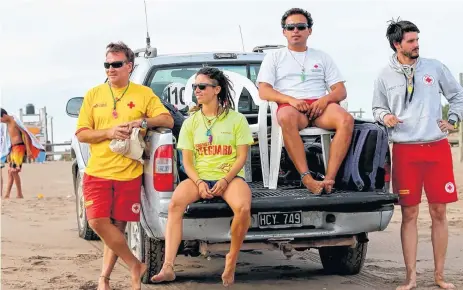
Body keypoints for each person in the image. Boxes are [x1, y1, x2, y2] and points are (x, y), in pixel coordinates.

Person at [372, 19, 463, 290]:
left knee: (439, 211)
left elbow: (457, 95)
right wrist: (385, 115)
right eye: (411, 41)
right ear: (396, 44)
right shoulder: (383, 75)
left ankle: (439, 275)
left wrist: (454, 119)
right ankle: (410, 277)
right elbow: (377, 107)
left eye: (417, 40)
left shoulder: (434, 67)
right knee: (410, 214)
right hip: (404, 151)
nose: (416, 45)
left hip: (437, 149)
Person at [75, 41, 174, 290]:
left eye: (117, 64)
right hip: (98, 170)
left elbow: (167, 120)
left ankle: (104, 279)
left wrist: (141, 122)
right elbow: (82, 134)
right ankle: (135, 265)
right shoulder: (94, 95)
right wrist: (109, 132)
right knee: (97, 221)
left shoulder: (143, 94)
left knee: (118, 227)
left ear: (129, 66)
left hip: (129, 171)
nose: (111, 69)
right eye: (107, 64)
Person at [150, 67, 253, 286]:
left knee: (243, 208)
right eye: (195, 86)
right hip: (199, 177)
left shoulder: (236, 120)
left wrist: (225, 180)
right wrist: (198, 182)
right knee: (175, 204)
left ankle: (231, 259)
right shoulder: (191, 122)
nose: (197, 90)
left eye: (202, 86)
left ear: (217, 89)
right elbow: (187, 161)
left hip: (230, 177)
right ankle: (168, 266)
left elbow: (242, 157)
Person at [257, 7, 354, 195]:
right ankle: (307, 178)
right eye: (290, 27)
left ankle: (329, 178)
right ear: (284, 32)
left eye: (301, 27)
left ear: (309, 30)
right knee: (285, 117)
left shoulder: (322, 56)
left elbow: (340, 90)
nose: (296, 31)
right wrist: (290, 100)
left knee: (346, 120)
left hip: (320, 106)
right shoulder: (274, 57)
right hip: (291, 106)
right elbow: (264, 90)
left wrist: (324, 100)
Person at [0, 108, 35, 198]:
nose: (1, 122)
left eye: (0, 119)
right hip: (12, 149)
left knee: (14, 171)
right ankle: (7, 194)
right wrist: (8, 152)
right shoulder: (6, 124)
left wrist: (28, 149)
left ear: (4, 115)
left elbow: (26, 134)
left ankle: (19, 194)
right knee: (10, 172)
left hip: (19, 147)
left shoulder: (14, 121)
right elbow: (7, 139)